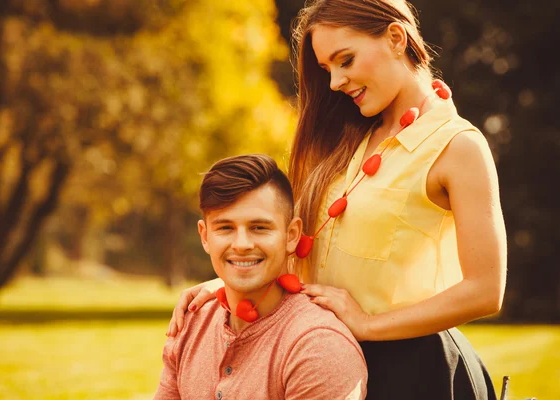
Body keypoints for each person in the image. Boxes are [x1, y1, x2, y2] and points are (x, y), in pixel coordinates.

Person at [167, 0, 507, 398]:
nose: (335, 83)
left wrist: (366, 325)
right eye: (328, 69)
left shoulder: (458, 147)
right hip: (320, 356)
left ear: (396, 38)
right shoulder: (344, 136)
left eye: (345, 60)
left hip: (414, 374)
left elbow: (486, 290)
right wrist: (229, 280)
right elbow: (301, 241)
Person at [153, 154, 368, 400]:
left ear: (291, 235)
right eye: (225, 228)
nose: (242, 244)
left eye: (259, 227)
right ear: (205, 236)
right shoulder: (192, 323)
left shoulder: (319, 346)